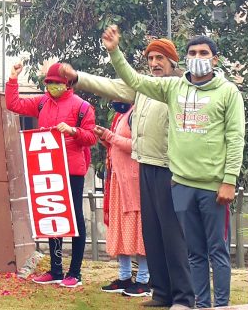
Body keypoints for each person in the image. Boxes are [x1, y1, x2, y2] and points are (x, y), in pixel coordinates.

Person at [102, 26, 245, 310]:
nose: (198, 57)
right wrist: (114, 51)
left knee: (216, 249)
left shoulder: (228, 92)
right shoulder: (175, 88)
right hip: (181, 183)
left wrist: (229, 179)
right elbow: (134, 79)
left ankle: (222, 305)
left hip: (213, 184)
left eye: (203, 53)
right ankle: (198, 304)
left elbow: (235, 137)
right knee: (192, 251)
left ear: (214, 59)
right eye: (193, 52)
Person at [60, 38, 195, 308]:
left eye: (160, 59)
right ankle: (161, 293)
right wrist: (77, 77)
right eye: (150, 60)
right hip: (144, 165)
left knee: (172, 235)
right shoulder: (143, 87)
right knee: (153, 234)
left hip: (170, 168)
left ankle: (183, 297)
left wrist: (114, 51)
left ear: (173, 62)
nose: (155, 64)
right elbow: (111, 85)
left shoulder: (179, 87)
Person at [6, 62, 96, 288]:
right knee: (53, 215)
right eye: (49, 83)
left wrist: (73, 131)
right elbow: (13, 104)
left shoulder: (82, 106)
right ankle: (56, 269)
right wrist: (13, 79)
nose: (52, 86)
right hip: (48, 167)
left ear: (67, 84)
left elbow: (91, 138)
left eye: (56, 83)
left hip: (73, 169)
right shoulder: (42, 102)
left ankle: (74, 272)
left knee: (74, 218)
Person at [95, 101, 151, 297]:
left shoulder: (139, 112)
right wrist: (104, 138)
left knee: (139, 230)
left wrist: (110, 136)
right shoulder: (122, 113)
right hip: (118, 179)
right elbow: (115, 143)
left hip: (134, 182)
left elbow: (138, 145)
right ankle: (124, 276)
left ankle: (144, 279)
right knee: (119, 227)